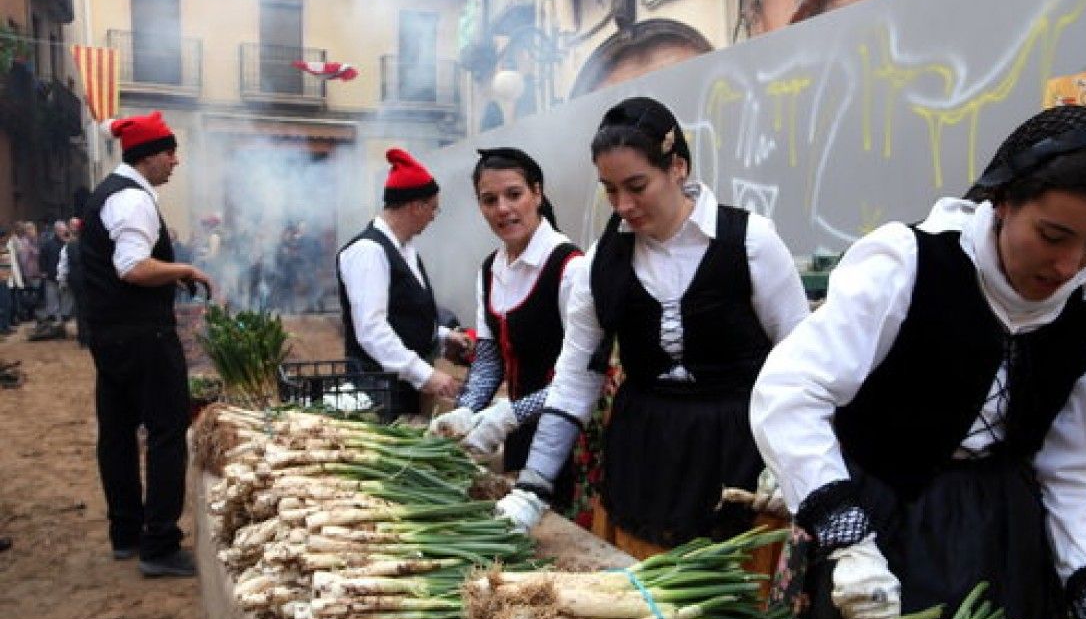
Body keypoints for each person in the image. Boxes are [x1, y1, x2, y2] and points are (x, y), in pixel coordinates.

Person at [750, 104, 1086, 619]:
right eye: (1053, 235)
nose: (1071, 263)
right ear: (1001, 202)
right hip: (884, 520)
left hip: (1000, 540)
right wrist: (849, 540)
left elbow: (1074, 477)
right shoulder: (908, 264)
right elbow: (790, 392)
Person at [494, 97, 809, 551]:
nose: (622, 204)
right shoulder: (603, 261)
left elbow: (798, 357)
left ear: (677, 166)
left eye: (636, 185)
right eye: (609, 189)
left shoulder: (750, 242)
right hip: (643, 453)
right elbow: (577, 376)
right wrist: (533, 483)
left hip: (738, 450)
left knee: (730, 602)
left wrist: (787, 456)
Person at [80, 110, 213, 577]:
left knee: (116, 433)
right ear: (150, 156)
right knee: (165, 431)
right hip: (143, 335)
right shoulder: (133, 199)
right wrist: (184, 270)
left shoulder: (108, 194)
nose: (175, 162)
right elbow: (133, 267)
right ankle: (159, 544)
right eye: (170, 154)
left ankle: (125, 533)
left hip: (109, 334)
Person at [429, 148, 584, 505]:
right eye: (489, 200)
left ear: (537, 193)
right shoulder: (490, 270)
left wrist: (511, 413)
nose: (502, 208)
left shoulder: (569, 268)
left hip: (569, 438)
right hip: (518, 435)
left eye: (514, 194)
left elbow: (581, 380)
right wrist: (465, 412)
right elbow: (489, 359)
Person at [336, 147, 469, 418]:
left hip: (402, 387)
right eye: (433, 208)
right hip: (379, 390)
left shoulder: (405, 250)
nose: (434, 216)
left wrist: (443, 336)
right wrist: (426, 374)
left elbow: (404, 316)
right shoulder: (368, 251)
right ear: (415, 206)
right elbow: (372, 330)